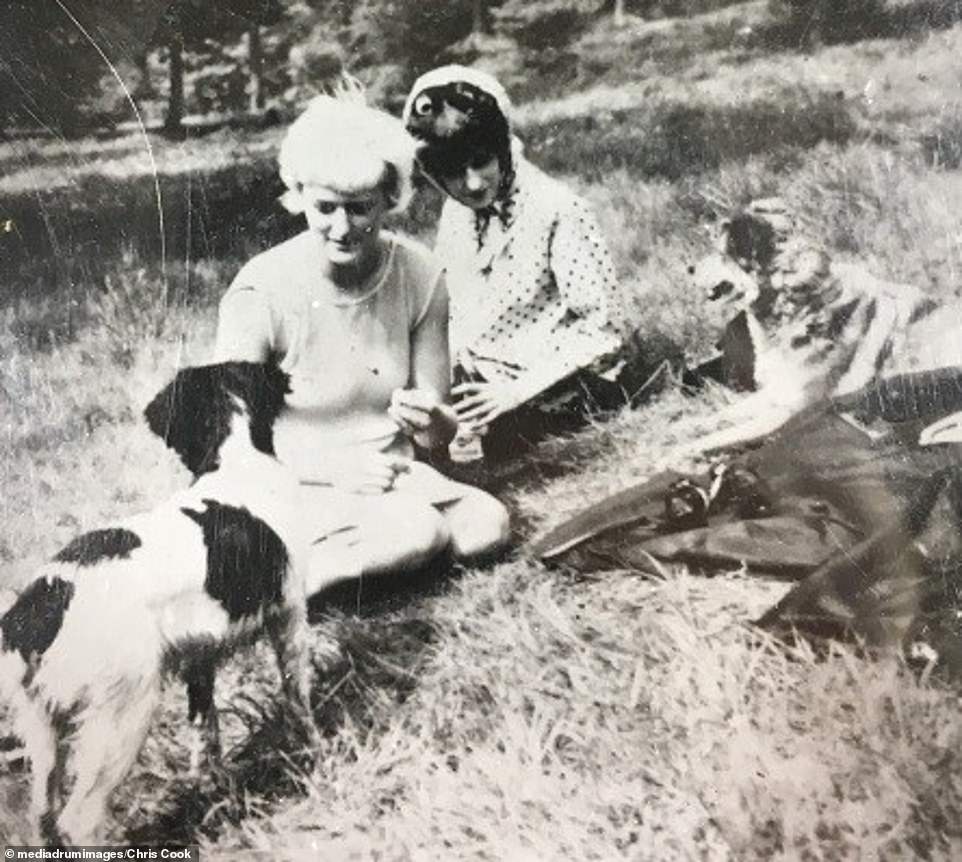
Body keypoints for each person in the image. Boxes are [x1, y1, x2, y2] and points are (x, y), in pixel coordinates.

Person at [213, 94, 510, 596]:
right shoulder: (261, 292)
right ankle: (285, 583)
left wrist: (433, 419)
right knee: (420, 531)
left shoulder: (420, 275)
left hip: (389, 479)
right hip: (291, 480)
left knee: (487, 525)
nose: (342, 228)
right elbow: (224, 442)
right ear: (299, 196)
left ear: (389, 197)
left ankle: (348, 559)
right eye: (324, 208)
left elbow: (436, 436)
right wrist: (331, 468)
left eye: (360, 208)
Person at [402, 65, 651, 462]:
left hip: (559, 379)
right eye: (453, 171)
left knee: (490, 452)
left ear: (501, 146)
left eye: (481, 161)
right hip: (486, 376)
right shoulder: (457, 213)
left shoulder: (557, 208)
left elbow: (604, 329)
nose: (473, 184)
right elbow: (456, 310)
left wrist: (514, 391)